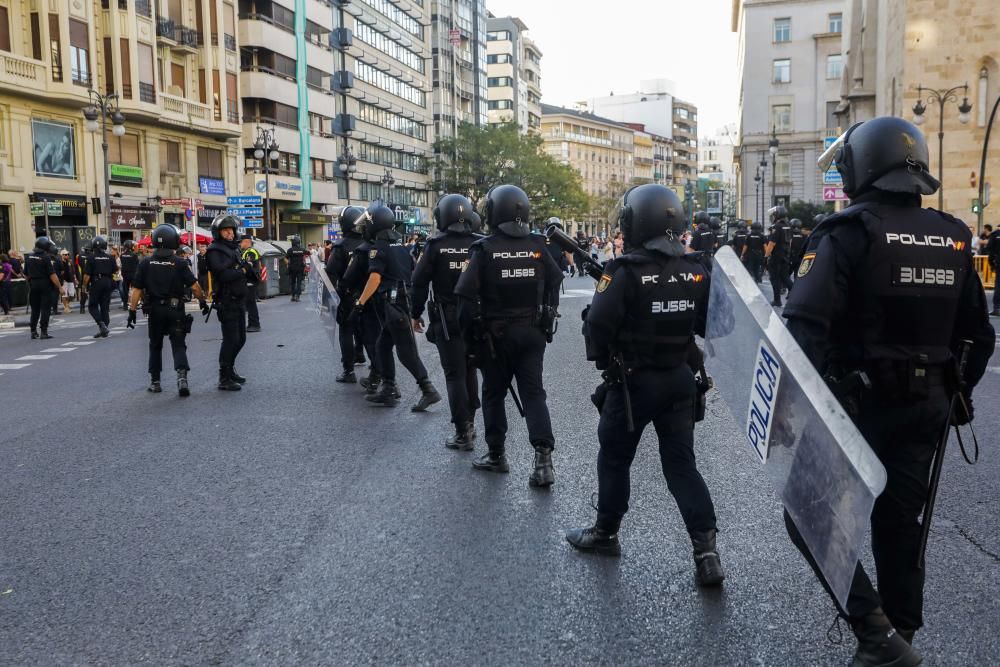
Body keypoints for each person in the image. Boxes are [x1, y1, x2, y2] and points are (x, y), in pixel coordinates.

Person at [782, 116, 996, 666]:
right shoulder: (953, 237)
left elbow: (803, 328)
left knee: (805, 511)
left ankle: (876, 631)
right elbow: (980, 333)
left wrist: (793, 410)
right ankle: (901, 635)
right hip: (927, 410)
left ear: (861, 167)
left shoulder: (846, 234)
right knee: (900, 523)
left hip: (857, 410)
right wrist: (957, 396)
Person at [565, 184, 725, 587]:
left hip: (634, 385)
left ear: (636, 222)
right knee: (682, 466)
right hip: (679, 381)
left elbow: (597, 329)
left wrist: (609, 357)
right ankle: (707, 552)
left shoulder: (625, 271)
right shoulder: (698, 269)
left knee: (615, 458)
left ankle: (606, 533)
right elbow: (713, 326)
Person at [454, 184, 563, 486]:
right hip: (532, 332)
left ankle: (496, 454)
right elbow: (556, 280)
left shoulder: (484, 249)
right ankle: (543, 461)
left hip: (496, 336)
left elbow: (464, 301)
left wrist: (471, 339)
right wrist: (547, 313)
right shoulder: (538, 246)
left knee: (492, 393)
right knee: (534, 393)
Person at [350, 203, 441, 411]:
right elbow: (413, 275)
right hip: (400, 305)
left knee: (406, 352)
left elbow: (374, 278)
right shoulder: (402, 249)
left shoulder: (377, 249)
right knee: (383, 346)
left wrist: (359, 303)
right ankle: (389, 389)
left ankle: (428, 390)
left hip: (394, 306)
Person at [411, 194, 482, 449]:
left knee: (454, 376)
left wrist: (414, 312)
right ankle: (471, 423)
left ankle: (462, 432)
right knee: (471, 370)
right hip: (476, 317)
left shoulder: (435, 245)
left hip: (447, 318)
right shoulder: (480, 243)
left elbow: (418, 283)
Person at [126, 224, 209, 395]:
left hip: (155, 310)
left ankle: (155, 382)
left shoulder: (146, 263)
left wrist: (132, 310)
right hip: (175, 309)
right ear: (174, 241)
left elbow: (136, 290)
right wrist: (202, 302)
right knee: (178, 344)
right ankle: (182, 378)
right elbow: (195, 286)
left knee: (155, 345)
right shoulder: (179, 262)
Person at [206, 214, 256, 391]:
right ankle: (224, 376)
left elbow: (241, 269)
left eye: (231, 230)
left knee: (241, 339)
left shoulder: (234, 249)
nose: (229, 233)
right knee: (230, 339)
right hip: (226, 301)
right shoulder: (214, 251)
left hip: (239, 299)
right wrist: (242, 269)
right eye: (225, 230)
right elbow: (223, 275)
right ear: (218, 232)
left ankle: (231, 368)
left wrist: (248, 269)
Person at [326, 206, 368, 383]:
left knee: (346, 331)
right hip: (369, 295)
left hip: (348, 296)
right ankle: (375, 368)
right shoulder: (370, 243)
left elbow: (330, 275)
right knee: (369, 331)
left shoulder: (340, 247)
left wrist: (332, 300)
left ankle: (348, 371)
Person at [25, 236, 62, 339]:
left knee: (35, 309)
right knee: (45, 309)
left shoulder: (29, 257)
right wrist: (59, 286)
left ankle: (33, 331)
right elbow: (52, 275)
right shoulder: (46, 257)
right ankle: (43, 332)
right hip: (45, 285)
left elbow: (26, 275)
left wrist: (31, 281)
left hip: (33, 284)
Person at [82, 235, 116, 338]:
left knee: (92, 306)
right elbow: (116, 270)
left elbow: (87, 275)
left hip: (97, 282)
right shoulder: (110, 257)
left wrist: (84, 286)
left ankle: (101, 324)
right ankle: (104, 328)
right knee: (104, 307)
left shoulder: (91, 257)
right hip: (108, 282)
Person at [764, 206, 794, 306]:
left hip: (776, 256)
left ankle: (777, 300)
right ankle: (797, 295)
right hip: (785, 255)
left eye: (773, 214)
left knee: (775, 278)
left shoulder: (776, 226)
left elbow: (772, 243)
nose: (772, 216)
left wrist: (766, 256)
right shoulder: (788, 225)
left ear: (777, 215)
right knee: (785, 277)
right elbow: (790, 241)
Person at [240, 235, 262, 332]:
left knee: (251, 302)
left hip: (251, 280)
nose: (240, 244)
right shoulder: (246, 252)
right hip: (249, 280)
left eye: (241, 242)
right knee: (248, 303)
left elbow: (249, 265)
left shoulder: (250, 252)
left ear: (247, 242)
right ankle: (251, 324)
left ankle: (255, 325)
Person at [286, 235, 307, 302]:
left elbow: (285, 258)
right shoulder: (302, 249)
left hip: (292, 268)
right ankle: (298, 297)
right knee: (299, 283)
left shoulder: (290, 250)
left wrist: (288, 263)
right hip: (300, 268)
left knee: (293, 282)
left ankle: (293, 296)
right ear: (299, 242)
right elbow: (309, 253)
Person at [119, 240, 139, 310]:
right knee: (134, 290)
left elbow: (121, 264)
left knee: (125, 290)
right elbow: (137, 265)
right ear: (131, 246)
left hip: (125, 275)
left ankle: (125, 305)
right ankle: (133, 305)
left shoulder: (122, 255)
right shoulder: (134, 255)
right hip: (133, 275)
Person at [986, 223, 1000, 316]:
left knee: (998, 285)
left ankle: (997, 308)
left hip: (999, 262)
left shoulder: (995, 234)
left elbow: (990, 249)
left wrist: (991, 264)